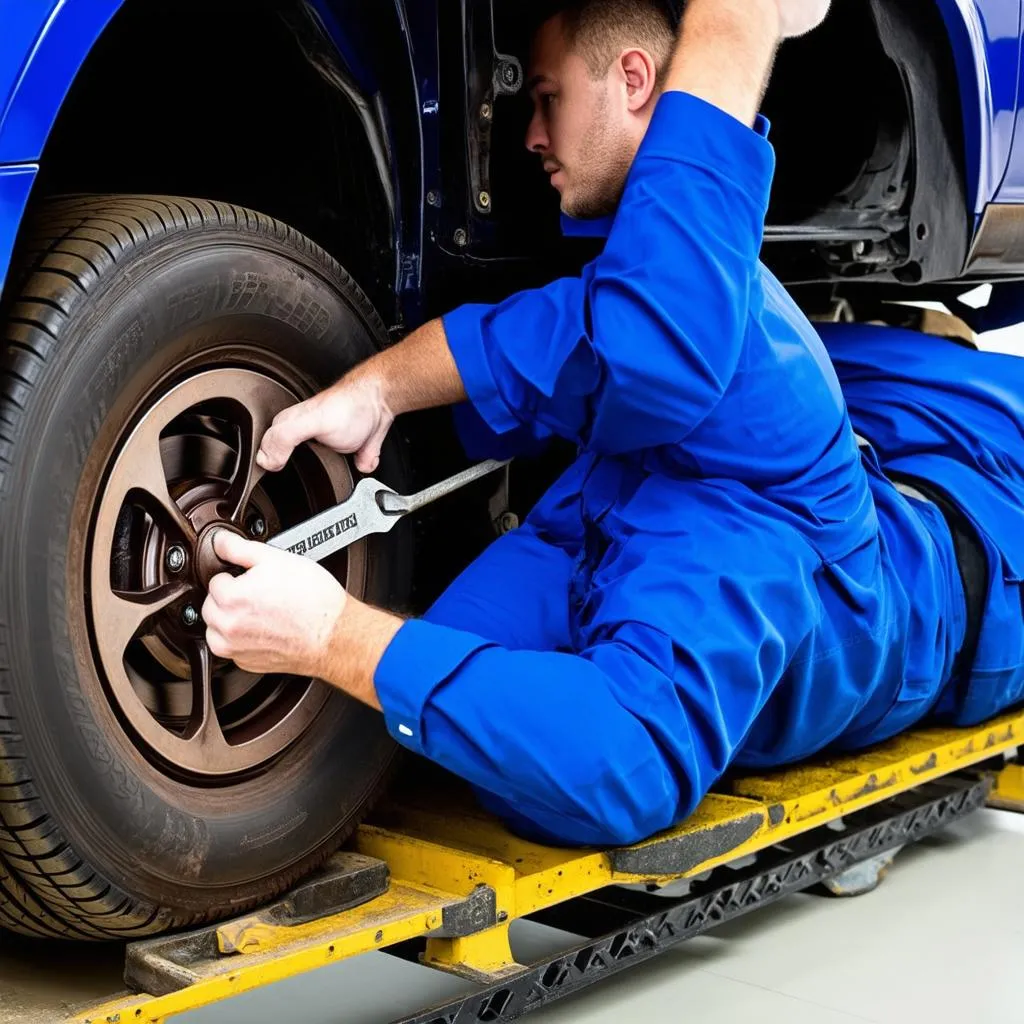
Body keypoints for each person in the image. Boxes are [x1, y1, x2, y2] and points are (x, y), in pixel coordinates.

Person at [201, 0, 1024, 848]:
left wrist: (333, 636)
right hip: (781, 461)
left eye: (546, 96)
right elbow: (579, 329)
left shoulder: (732, 552)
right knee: (462, 711)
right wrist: (377, 388)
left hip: (977, 553)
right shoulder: (664, 325)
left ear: (635, 81)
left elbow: (617, 764)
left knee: (508, 756)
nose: (527, 133)